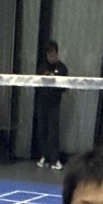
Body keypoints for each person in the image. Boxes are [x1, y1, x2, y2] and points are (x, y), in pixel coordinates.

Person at [33, 41, 68, 169]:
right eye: (48, 55)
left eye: (52, 54)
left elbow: (65, 87)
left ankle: (55, 159)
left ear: (56, 53)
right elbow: (35, 85)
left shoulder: (62, 68)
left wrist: (55, 80)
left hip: (54, 104)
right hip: (42, 103)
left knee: (53, 132)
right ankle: (44, 156)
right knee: (42, 130)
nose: (50, 57)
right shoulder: (42, 67)